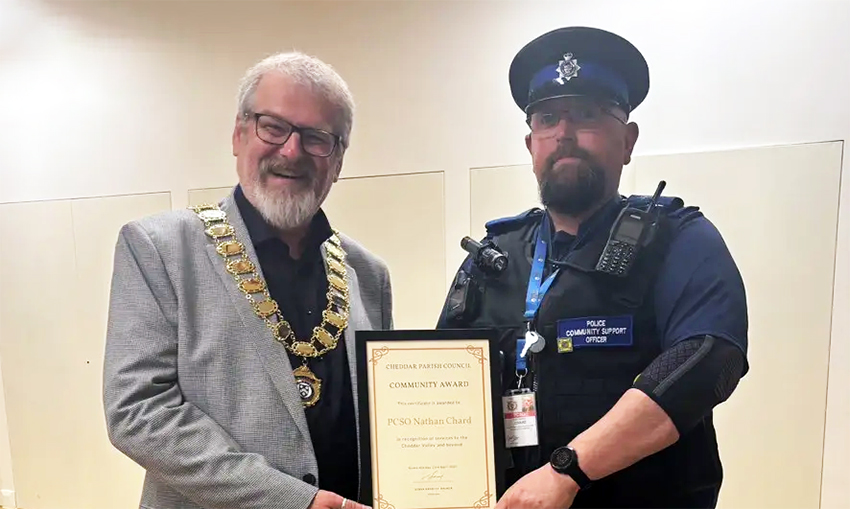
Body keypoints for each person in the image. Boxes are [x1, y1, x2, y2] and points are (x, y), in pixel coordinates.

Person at [438, 26, 748, 508]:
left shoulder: (680, 239)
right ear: (531, 144)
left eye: (586, 115)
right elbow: (442, 381)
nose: (564, 134)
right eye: (547, 118)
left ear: (627, 141)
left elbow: (708, 359)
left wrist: (568, 471)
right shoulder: (490, 259)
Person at [103, 51, 392, 509]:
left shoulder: (369, 275)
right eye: (273, 127)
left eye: (317, 138)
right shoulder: (159, 249)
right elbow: (139, 413)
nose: (292, 151)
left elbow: (384, 417)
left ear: (337, 161)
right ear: (239, 134)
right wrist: (299, 502)